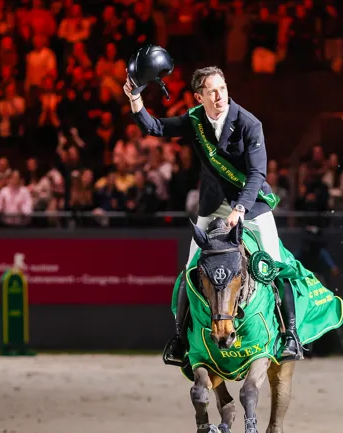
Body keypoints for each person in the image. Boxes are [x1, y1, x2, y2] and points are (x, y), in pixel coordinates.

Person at [123, 65, 304, 366]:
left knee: (274, 263)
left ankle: (290, 337)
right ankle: (180, 340)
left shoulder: (249, 123)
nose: (219, 96)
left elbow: (258, 173)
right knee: (190, 268)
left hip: (252, 204)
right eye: (212, 91)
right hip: (213, 205)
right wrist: (135, 99)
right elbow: (155, 128)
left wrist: (240, 209)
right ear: (199, 96)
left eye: (222, 88)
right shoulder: (195, 120)